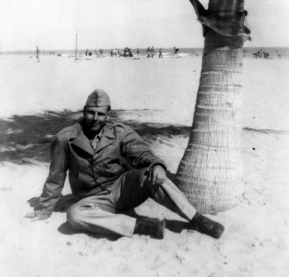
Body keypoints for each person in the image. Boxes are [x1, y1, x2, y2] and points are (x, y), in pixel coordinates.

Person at [26, 89, 224, 240]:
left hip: (121, 188)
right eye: (91, 113)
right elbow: (56, 175)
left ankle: (197, 219)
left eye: (100, 114)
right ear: (83, 111)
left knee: (152, 173)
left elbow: (143, 153)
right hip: (93, 199)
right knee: (74, 216)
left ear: (108, 115)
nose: (95, 118)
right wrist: (45, 208)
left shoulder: (120, 132)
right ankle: (143, 226)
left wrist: (156, 165)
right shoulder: (65, 138)